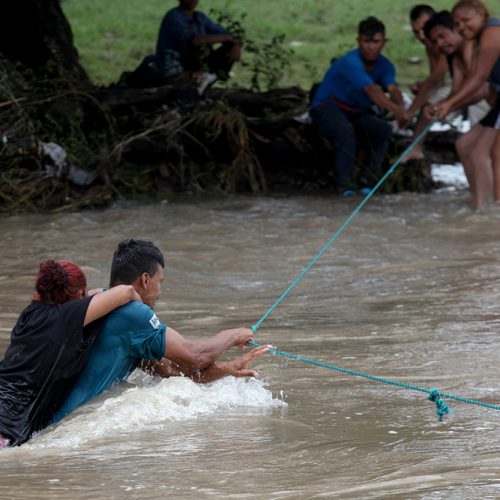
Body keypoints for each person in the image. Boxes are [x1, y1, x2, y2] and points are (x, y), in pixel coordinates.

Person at [51, 239, 270, 423]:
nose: (160, 291)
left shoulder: (98, 303)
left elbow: (170, 371)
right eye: (160, 282)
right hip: (66, 424)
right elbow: (196, 356)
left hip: (50, 421)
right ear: (145, 279)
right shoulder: (133, 313)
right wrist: (235, 335)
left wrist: (227, 368)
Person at [0, 260, 141, 447]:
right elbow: (127, 291)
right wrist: (142, 316)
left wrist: (91, 294)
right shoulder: (67, 317)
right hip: (7, 425)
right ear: (80, 294)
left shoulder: (30, 314)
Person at [310, 16, 408, 196]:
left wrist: (401, 109)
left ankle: (369, 183)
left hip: (355, 112)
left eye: (376, 42)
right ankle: (345, 186)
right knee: (345, 131)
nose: (371, 47)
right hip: (327, 107)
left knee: (383, 130)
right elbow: (372, 91)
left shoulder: (386, 65)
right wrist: (397, 111)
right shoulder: (350, 62)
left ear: (384, 42)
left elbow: (392, 89)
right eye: (366, 41)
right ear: (358, 41)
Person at [430, 0, 500, 208]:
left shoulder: (492, 31)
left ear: (482, 15)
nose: (461, 26)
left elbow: (480, 77)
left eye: (466, 20)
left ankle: (494, 210)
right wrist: (447, 105)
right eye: (457, 23)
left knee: (493, 152)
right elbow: (477, 86)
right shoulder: (476, 42)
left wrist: (449, 103)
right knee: (465, 144)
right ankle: (481, 207)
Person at [155, 0, 242, 94]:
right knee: (201, 46)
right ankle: (199, 79)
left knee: (229, 45)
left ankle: (208, 78)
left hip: (194, 61)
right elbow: (194, 40)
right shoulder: (173, 16)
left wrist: (235, 44)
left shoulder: (199, 17)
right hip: (175, 65)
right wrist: (228, 38)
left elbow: (228, 34)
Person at [401, 4, 451, 163]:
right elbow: (435, 80)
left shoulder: (442, 41)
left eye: (424, 29)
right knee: (427, 102)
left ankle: (415, 147)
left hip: (474, 85)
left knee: (429, 105)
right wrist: (422, 86)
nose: (421, 36)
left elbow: (435, 80)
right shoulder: (430, 44)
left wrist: (410, 111)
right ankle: (416, 146)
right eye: (416, 32)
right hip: (458, 85)